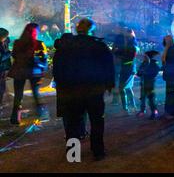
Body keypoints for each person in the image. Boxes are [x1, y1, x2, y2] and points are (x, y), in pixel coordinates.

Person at [53, 18, 115, 161]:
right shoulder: (99, 46)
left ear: (77, 29)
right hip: (94, 90)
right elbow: (108, 67)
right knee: (97, 121)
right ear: (92, 29)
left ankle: (73, 153)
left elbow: (57, 68)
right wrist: (108, 85)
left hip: (72, 91)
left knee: (73, 122)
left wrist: (62, 85)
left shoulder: (66, 46)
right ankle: (98, 151)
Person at [8, 23, 48, 124]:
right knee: (36, 93)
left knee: (18, 94)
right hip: (34, 71)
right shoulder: (39, 43)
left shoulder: (17, 42)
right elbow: (44, 59)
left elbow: (14, 55)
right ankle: (41, 114)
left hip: (19, 71)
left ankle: (15, 118)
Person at [113, 28, 138, 113]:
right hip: (127, 68)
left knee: (122, 87)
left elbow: (130, 58)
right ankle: (131, 106)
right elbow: (118, 53)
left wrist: (120, 56)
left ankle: (126, 108)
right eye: (125, 36)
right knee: (127, 88)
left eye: (127, 36)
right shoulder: (127, 45)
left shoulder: (132, 46)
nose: (125, 38)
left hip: (129, 69)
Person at [136, 50, 160, 119]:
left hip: (148, 83)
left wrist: (144, 73)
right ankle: (144, 111)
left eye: (145, 56)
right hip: (147, 83)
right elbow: (139, 73)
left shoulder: (149, 64)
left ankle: (153, 112)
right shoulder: (149, 63)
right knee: (145, 98)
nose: (144, 57)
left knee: (149, 98)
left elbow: (140, 73)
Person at [162, 35, 174, 118]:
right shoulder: (169, 49)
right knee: (170, 92)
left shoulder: (171, 49)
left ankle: (171, 112)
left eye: (166, 39)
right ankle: (172, 111)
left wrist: (168, 65)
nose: (164, 41)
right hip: (170, 73)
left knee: (170, 93)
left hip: (171, 73)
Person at [0, 28, 12, 108]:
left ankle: (1, 101)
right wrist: (9, 53)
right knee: (1, 86)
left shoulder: (5, 40)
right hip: (1, 68)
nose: (6, 38)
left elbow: (8, 40)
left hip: (3, 68)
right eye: (4, 37)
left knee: (2, 86)